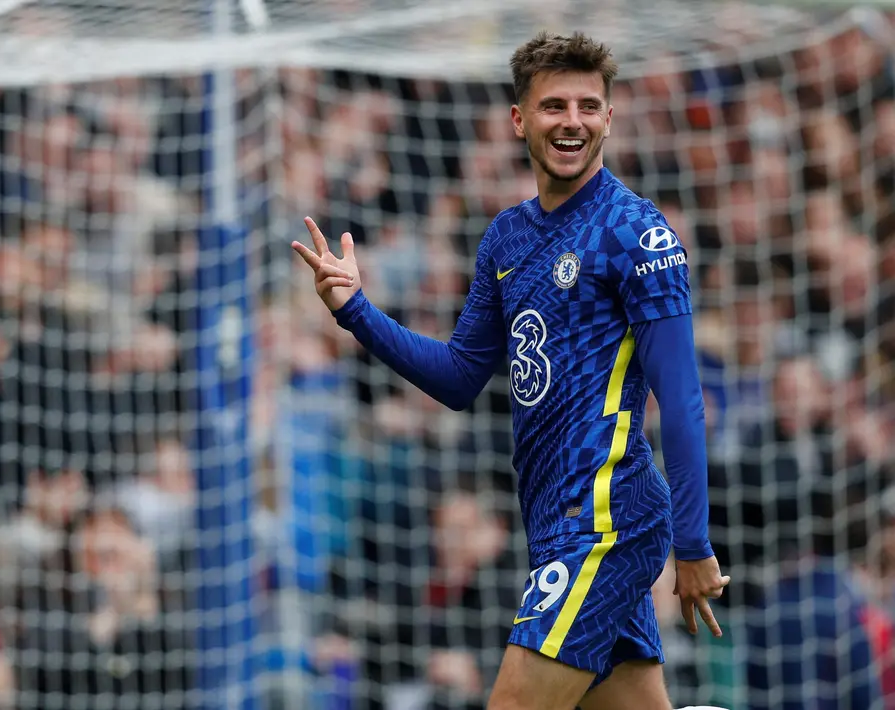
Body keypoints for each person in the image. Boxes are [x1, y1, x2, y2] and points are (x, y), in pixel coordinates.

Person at [291, 32, 728, 710]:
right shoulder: (506, 238)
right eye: (554, 106)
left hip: (605, 521)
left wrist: (693, 545)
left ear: (609, 118)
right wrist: (356, 311)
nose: (572, 121)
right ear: (519, 119)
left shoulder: (635, 234)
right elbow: (461, 375)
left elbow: (681, 399)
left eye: (588, 105)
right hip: (553, 521)